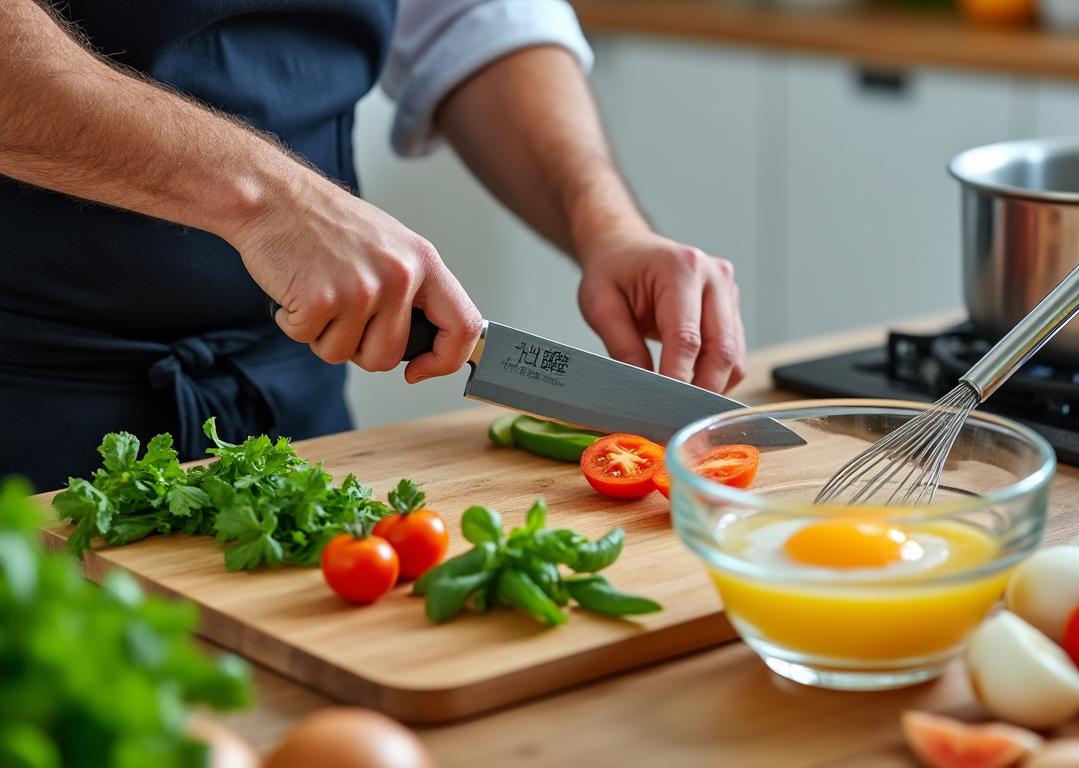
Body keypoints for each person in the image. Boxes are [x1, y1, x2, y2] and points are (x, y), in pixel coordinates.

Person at [0, 0, 747, 491]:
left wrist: (606, 224)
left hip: (289, 415)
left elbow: (469, 18)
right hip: (26, 419)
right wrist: (269, 200)